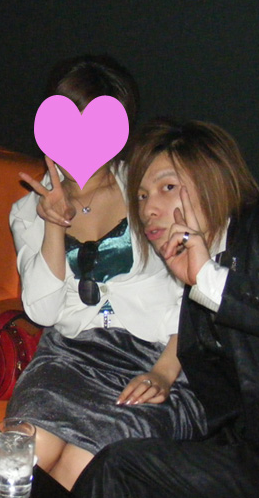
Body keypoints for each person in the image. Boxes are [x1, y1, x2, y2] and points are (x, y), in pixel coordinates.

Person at [8, 56, 205, 490]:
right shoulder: (27, 209)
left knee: (85, 468)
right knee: (19, 452)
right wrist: (53, 226)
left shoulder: (148, 189)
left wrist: (164, 373)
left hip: (155, 361)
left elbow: (196, 291)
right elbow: (42, 313)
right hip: (70, 358)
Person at [72, 119, 259, 497]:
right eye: (141, 196)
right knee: (116, 460)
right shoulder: (198, 265)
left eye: (167, 187)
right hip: (241, 450)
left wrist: (209, 280)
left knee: (119, 467)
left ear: (213, 180)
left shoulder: (250, 231)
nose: (149, 209)